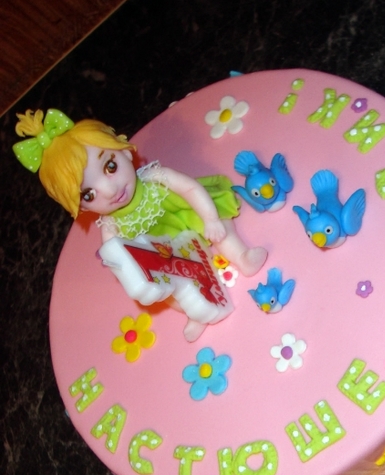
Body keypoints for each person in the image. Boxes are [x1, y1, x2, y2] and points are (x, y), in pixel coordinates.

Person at [13, 108, 267, 340]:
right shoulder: (110, 226)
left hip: (187, 214)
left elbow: (190, 189)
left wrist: (210, 219)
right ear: (82, 208)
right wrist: (143, 281)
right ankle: (195, 312)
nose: (110, 190)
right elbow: (117, 260)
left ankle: (242, 256)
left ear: (124, 151)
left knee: (221, 228)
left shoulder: (155, 177)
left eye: (110, 166)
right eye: (88, 194)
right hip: (166, 251)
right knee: (168, 288)